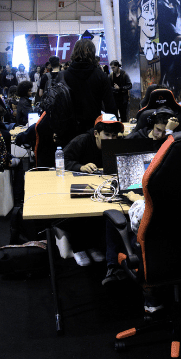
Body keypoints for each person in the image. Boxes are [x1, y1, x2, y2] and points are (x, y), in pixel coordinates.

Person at [60, 115, 124, 267]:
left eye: (114, 136)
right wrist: (79, 167)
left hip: (102, 187)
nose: (111, 139)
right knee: (81, 212)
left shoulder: (116, 144)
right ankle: (79, 248)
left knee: (103, 214)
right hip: (77, 186)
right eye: (107, 135)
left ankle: (92, 246)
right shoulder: (82, 140)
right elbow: (61, 160)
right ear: (96, 133)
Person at [61, 39, 117, 142]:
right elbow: (110, 106)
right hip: (93, 129)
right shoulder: (101, 76)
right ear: (93, 53)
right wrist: (113, 131)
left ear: (74, 52)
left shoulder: (64, 76)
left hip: (69, 131)